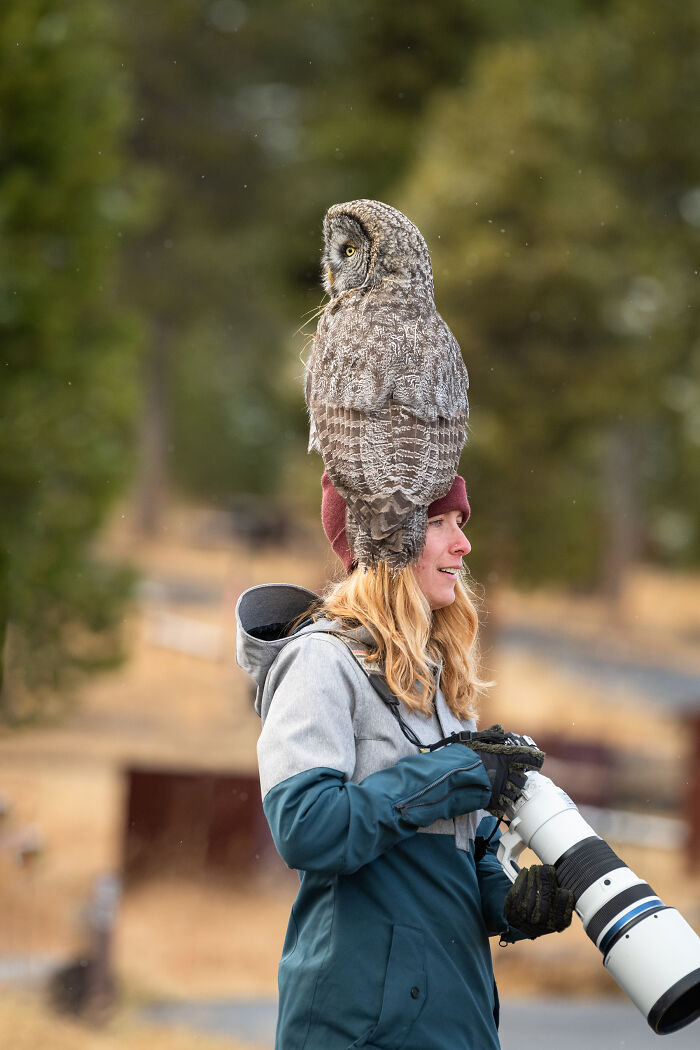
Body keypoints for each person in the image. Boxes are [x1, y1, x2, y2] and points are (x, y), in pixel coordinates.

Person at [235, 473, 574, 1050]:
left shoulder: (437, 682)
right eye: (439, 523)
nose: (462, 545)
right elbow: (308, 828)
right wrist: (459, 773)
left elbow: (459, 858)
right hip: (361, 1030)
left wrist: (512, 903)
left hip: (457, 1027)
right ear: (388, 541)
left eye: (460, 524)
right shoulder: (321, 661)